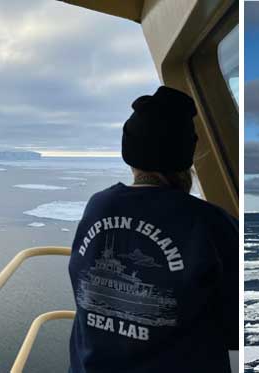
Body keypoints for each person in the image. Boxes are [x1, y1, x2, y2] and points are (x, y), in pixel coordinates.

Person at [67, 86, 238, 372]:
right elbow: (236, 327)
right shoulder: (210, 223)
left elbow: (81, 283)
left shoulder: (98, 206)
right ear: (186, 156)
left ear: (129, 153)